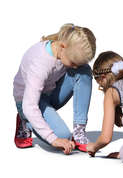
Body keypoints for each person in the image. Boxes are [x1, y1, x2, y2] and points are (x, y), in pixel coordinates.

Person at [13, 23, 96, 154]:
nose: (74, 67)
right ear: (63, 47)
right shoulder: (40, 64)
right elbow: (30, 106)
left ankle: (79, 132)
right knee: (62, 136)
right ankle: (25, 120)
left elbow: (78, 69)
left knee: (84, 71)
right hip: (29, 102)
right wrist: (54, 139)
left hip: (48, 93)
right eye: (73, 63)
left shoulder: (65, 49)